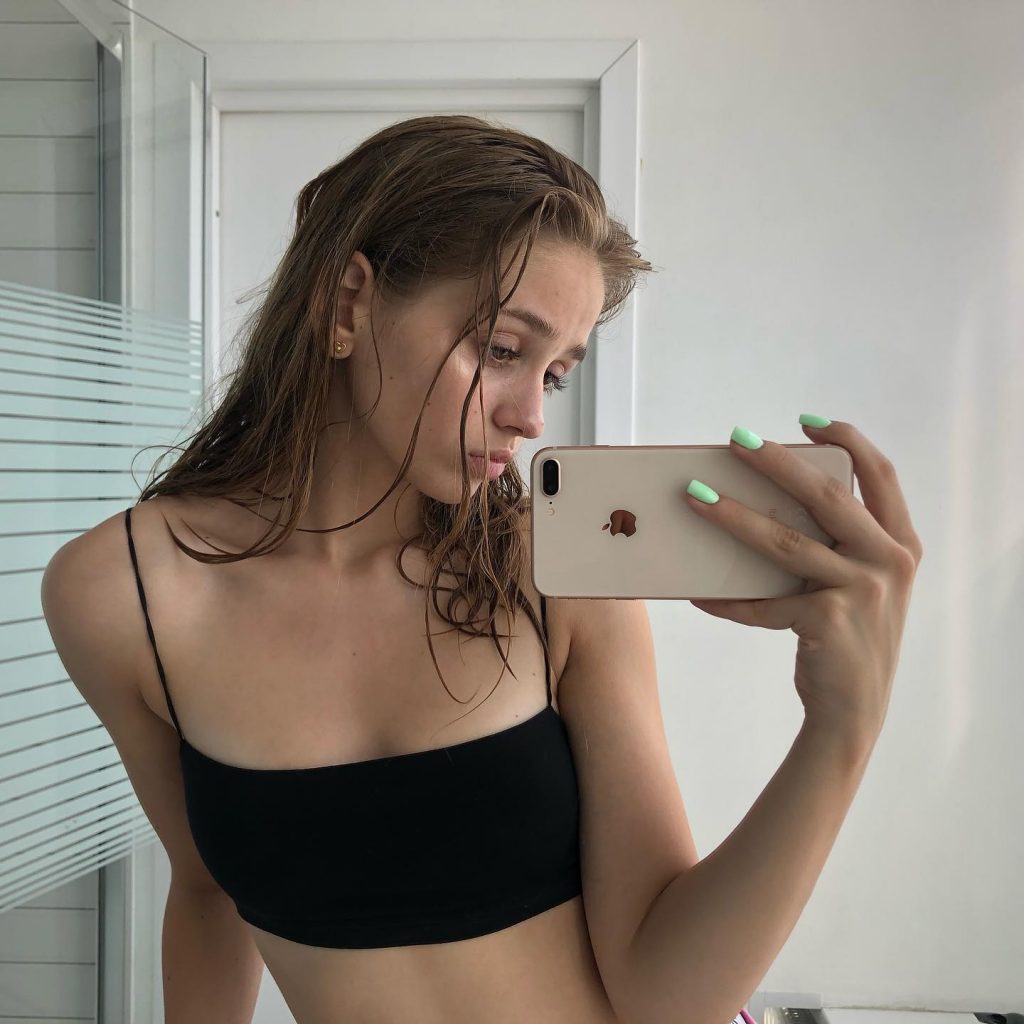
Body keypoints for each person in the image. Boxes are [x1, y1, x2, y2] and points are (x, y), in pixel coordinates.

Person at [41, 114, 678, 1023]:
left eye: (555, 374)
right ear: (348, 305)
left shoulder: (550, 568)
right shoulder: (121, 596)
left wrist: (842, 719)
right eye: (503, 351)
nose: (532, 416)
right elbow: (206, 888)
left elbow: (676, 990)